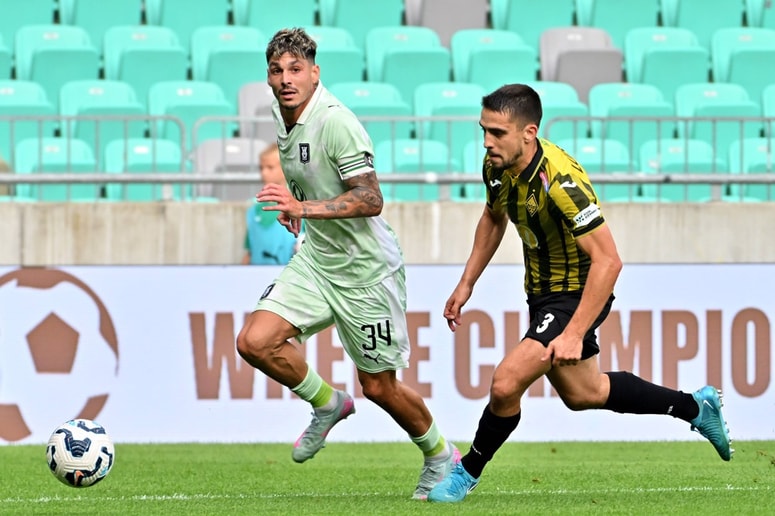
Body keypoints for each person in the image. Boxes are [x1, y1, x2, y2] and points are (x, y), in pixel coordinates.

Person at [428, 84, 733, 503]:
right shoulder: (495, 166)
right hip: (542, 292)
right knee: (583, 394)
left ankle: (466, 472)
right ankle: (694, 407)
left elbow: (609, 261)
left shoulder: (562, 182)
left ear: (528, 133)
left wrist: (573, 331)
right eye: (483, 130)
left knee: (505, 383)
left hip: (579, 290)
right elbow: (493, 216)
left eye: (497, 133)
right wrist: (467, 283)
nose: (487, 142)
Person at [235, 27, 459, 500]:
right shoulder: (282, 111)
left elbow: (371, 198)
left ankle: (441, 454)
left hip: (366, 273)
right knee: (255, 341)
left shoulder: (336, 121)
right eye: (277, 71)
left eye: (296, 70)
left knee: (379, 387)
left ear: (315, 74)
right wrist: (301, 207)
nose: (286, 79)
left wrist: (304, 209)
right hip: (318, 260)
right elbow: (307, 172)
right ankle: (327, 403)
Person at [241, 143, 301, 265]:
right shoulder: (253, 211)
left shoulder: (299, 207)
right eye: (261, 168)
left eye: (270, 167)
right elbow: (250, 252)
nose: (264, 173)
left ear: (285, 168)